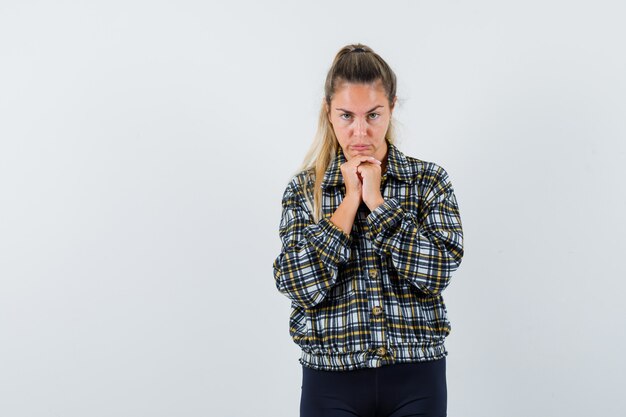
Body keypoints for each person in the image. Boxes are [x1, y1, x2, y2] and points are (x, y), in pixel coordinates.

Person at [272, 43, 464, 417]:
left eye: (373, 115)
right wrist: (349, 202)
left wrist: (378, 203)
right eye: (347, 115)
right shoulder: (304, 190)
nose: (360, 131)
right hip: (330, 380)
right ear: (329, 113)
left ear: (391, 107)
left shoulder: (427, 181)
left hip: (417, 376)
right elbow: (297, 285)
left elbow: (438, 271)